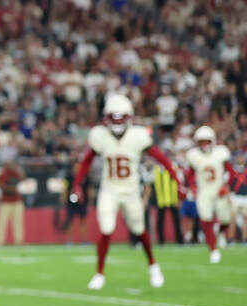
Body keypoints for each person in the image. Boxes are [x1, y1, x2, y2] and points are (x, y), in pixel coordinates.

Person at [73, 93, 182, 289]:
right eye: (113, 117)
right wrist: (77, 185)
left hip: (130, 190)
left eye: (120, 117)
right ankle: (99, 274)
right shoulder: (100, 136)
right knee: (106, 228)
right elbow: (87, 161)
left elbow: (160, 157)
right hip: (109, 189)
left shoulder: (137, 136)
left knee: (139, 229)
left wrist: (176, 179)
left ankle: (153, 266)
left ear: (128, 117)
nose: (116, 121)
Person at [184, 126, 235, 263]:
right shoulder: (194, 155)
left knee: (226, 220)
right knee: (205, 220)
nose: (204, 144)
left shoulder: (221, 152)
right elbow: (190, 174)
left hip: (219, 189)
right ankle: (213, 250)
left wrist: (226, 186)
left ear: (212, 141)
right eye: (201, 141)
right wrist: (193, 187)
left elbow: (230, 171)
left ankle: (218, 231)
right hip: (204, 191)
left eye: (206, 141)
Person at [147, 165, 183, 245]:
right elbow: (149, 182)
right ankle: (161, 241)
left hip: (173, 199)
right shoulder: (156, 169)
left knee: (176, 220)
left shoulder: (174, 168)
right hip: (161, 199)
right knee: (160, 221)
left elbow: (180, 182)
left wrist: (179, 198)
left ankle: (180, 240)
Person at [0, 161, 26, 246]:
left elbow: (24, 179)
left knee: (18, 223)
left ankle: (19, 241)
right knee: (2, 223)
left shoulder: (15, 173)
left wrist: (17, 170)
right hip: (5, 203)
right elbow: (2, 186)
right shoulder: (1, 175)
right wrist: (13, 189)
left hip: (17, 202)